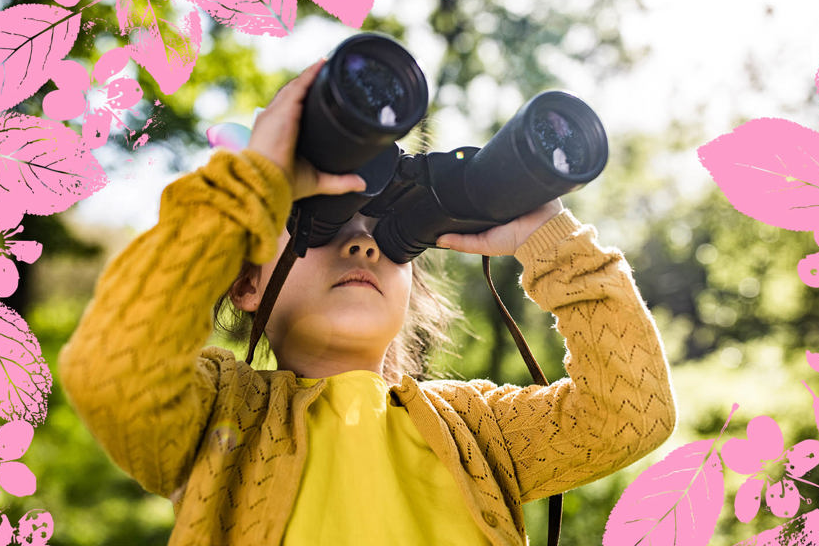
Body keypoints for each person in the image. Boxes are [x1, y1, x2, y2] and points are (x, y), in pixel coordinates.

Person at [59, 59, 677, 545]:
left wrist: (552, 241)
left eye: (385, 235)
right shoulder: (222, 418)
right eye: (319, 225)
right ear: (244, 281)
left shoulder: (476, 431)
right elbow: (115, 371)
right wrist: (253, 188)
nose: (360, 245)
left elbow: (630, 414)